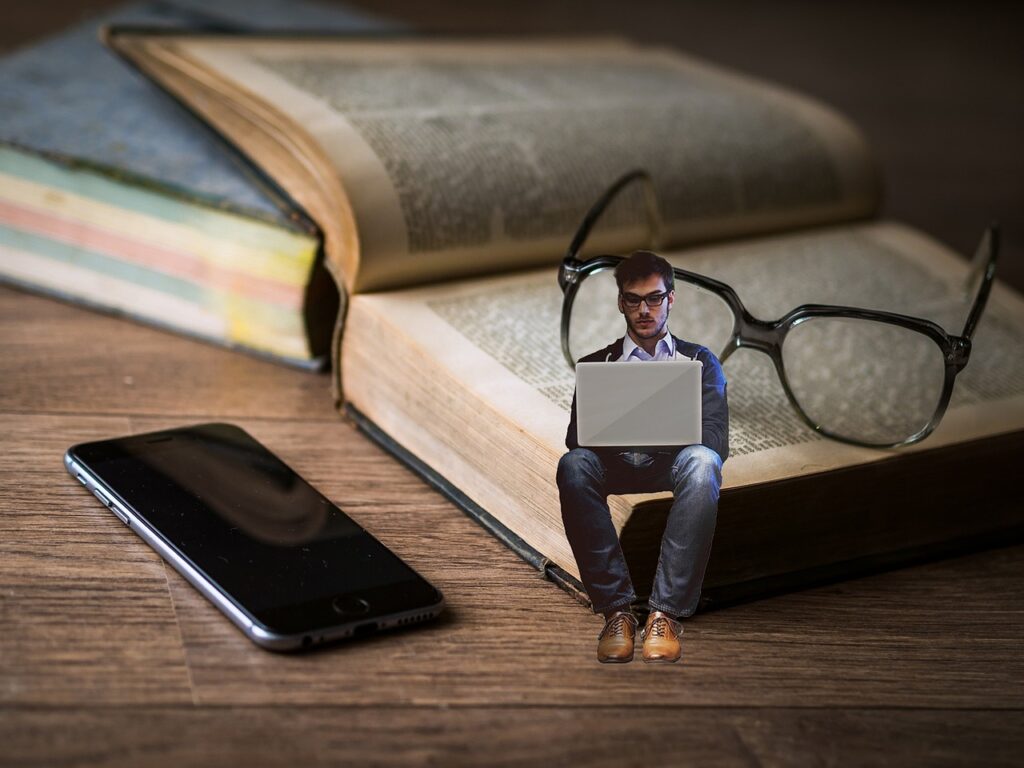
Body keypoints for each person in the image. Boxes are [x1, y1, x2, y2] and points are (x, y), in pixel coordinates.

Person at [557, 250, 729, 664]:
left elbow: (717, 439)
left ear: (671, 298)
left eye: (654, 298)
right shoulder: (596, 364)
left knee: (704, 463)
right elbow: (576, 439)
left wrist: (657, 428)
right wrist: (619, 425)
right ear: (621, 303)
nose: (644, 309)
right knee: (574, 467)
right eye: (633, 300)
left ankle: (664, 614)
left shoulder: (701, 361)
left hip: (673, 462)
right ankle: (617, 612)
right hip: (616, 463)